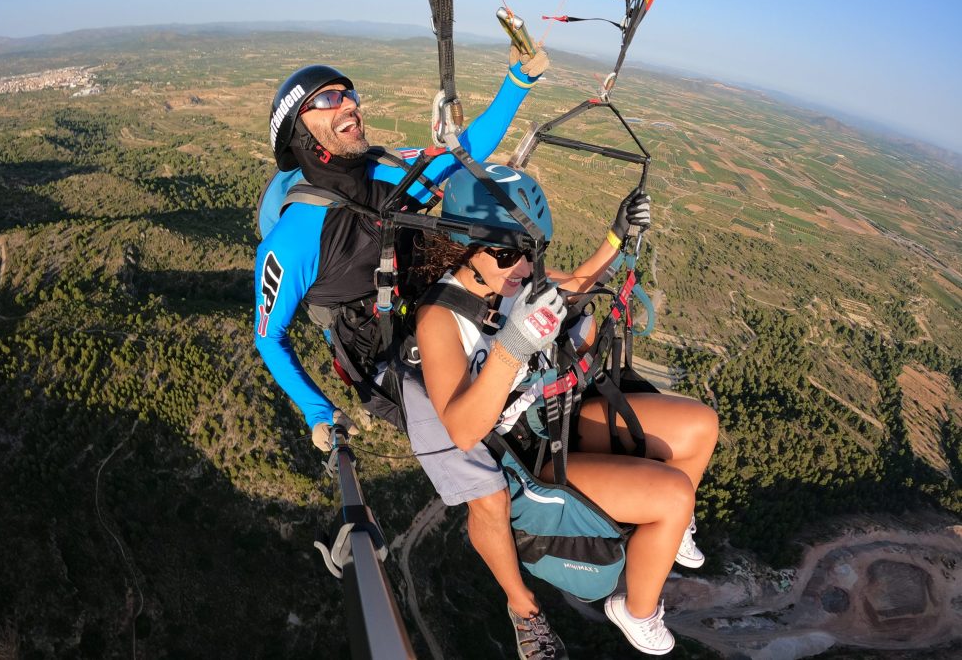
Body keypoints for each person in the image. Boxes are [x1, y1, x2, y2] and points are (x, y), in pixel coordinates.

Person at [403, 164, 719, 657]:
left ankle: (669, 534)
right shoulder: (441, 318)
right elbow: (463, 430)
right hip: (529, 453)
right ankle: (636, 611)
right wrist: (512, 344)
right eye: (506, 253)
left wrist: (619, 235)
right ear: (463, 244)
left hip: (561, 415)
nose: (521, 268)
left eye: (529, 252)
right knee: (674, 497)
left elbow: (581, 279)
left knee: (701, 425)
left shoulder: (517, 281)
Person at [254, 46, 548, 451]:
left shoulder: (388, 171)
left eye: (350, 95)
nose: (349, 105)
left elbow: (465, 151)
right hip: (387, 363)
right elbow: (270, 337)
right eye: (327, 99)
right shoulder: (292, 240)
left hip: (437, 310)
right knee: (489, 453)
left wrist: (518, 80)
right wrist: (319, 411)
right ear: (297, 133)